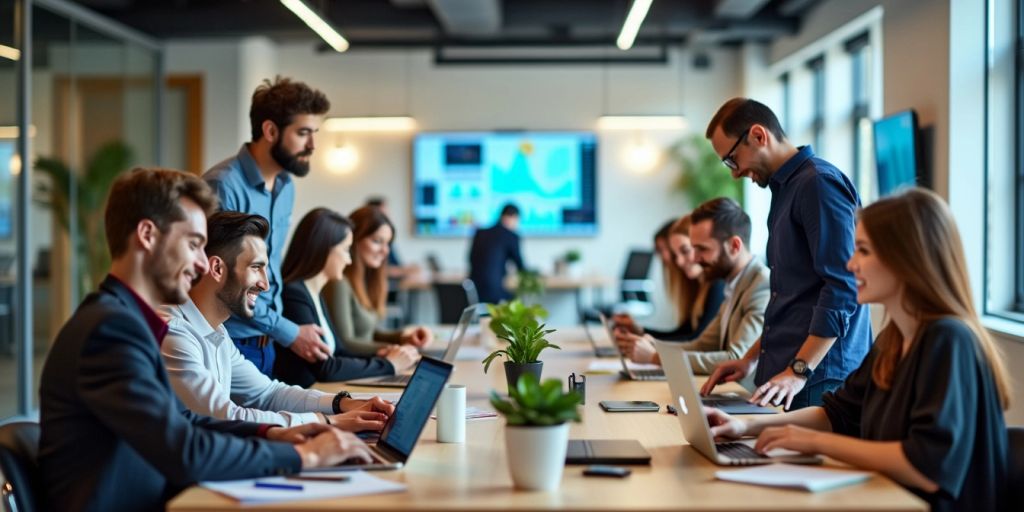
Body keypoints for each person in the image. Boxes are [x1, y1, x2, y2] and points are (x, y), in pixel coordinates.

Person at [38, 168, 374, 511]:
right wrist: (304, 455)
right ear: (148, 235)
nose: (202, 263)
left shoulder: (125, 319)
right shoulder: (111, 330)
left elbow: (183, 422)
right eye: (194, 244)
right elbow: (184, 450)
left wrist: (270, 434)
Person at [704, 189, 1011, 512]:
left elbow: (927, 467)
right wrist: (746, 427)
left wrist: (814, 442)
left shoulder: (948, 340)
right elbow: (838, 413)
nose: (851, 264)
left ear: (908, 258)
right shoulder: (892, 340)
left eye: (863, 251)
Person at [701, 97, 871, 410]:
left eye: (732, 159)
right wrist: (749, 360)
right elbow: (791, 298)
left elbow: (843, 287)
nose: (734, 173)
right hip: (790, 377)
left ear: (758, 135)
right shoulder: (786, 189)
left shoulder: (817, 184)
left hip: (817, 378)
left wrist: (798, 371)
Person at [161, 211, 397, 429]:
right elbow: (227, 416)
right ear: (217, 269)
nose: (264, 285)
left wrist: (343, 404)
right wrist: (327, 421)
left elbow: (267, 393)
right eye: (256, 267)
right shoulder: (174, 333)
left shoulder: (217, 332)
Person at [204, 76, 332, 377]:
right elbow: (224, 281)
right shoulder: (223, 186)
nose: (312, 145)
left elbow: (268, 269)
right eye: (303, 133)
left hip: (267, 343)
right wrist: (289, 331)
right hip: (231, 342)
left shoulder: (286, 186)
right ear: (271, 131)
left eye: (314, 133)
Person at [617, 198, 769, 375]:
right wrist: (653, 345)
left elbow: (735, 359)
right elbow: (701, 345)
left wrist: (656, 357)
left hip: (744, 397)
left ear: (734, 246)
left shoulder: (761, 285)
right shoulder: (735, 284)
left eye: (702, 249)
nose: (695, 259)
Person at [277, 207, 420, 387]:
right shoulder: (294, 295)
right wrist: (388, 365)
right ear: (324, 249)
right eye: (345, 250)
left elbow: (340, 351)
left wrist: (387, 356)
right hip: (305, 401)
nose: (349, 259)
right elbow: (326, 368)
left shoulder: (313, 293)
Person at [328, 205, 433, 357]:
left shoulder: (366, 281)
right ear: (353, 239)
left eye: (388, 243)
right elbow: (345, 342)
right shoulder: (339, 282)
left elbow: (367, 334)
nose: (385, 251)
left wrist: (404, 338)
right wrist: (397, 349)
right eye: (377, 241)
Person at [614, 215, 726, 342]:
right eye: (675, 254)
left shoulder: (717, 286)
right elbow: (686, 332)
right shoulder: (701, 285)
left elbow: (696, 342)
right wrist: (640, 332)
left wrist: (650, 348)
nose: (677, 261)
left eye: (684, 251)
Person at [468, 203, 525, 304]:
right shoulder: (511, 236)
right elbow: (520, 266)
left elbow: (470, 259)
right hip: (494, 292)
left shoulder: (480, 233)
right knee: (516, 301)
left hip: (473, 291)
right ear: (513, 217)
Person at [366, 195, 422, 280]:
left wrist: (405, 269)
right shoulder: (367, 236)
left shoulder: (387, 239)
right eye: (383, 215)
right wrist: (404, 271)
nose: (387, 219)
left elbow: (393, 265)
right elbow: (380, 269)